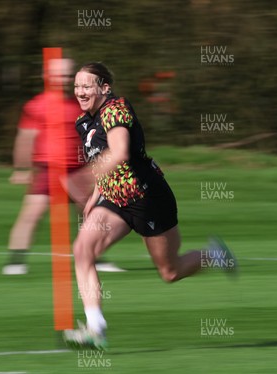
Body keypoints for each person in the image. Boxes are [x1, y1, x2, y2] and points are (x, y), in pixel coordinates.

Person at [63, 62, 237, 349]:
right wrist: (95, 193)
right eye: (77, 85)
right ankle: (96, 329)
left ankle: (214, 256)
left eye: (87, 85)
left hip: (148, 198)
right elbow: (101, 159)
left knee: (170, 272)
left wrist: (83, 178)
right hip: (115, 200)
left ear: (104, 88)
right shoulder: (83, 122)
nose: (80, 91)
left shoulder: (115, 109)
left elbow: (119, 152)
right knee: (82, 250)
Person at [3, 58, 125, 275]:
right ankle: (15, 263)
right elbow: (25, 138)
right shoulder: (36, 105)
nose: (64, 79)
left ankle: (96, 259)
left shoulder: (81, 104)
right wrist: (21, 169)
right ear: (46, 77)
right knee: (31, 214)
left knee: (93, 215)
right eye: (59, 75)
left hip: (78, 171)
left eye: (68, 75)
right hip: (49, 170)